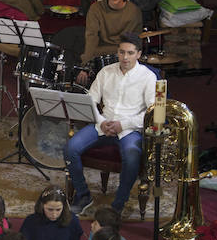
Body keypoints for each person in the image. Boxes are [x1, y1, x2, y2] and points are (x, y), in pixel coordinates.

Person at [65, 33, 156, 216]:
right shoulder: (106, 72)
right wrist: (102, 121)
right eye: (121, 52)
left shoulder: (148, 77)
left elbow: (150, 112)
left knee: (132, 156)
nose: (125, 57)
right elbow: (91, 101)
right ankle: (83, 195)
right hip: (103, 124)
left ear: (138, 54)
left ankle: (118, 205)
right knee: (70, 148)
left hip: (130, 130)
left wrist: (123, 124)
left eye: (130, 53)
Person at [80, 0, 143, 68]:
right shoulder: (96, 8)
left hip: (123, 53)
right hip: (99, 52)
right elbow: (91, 37)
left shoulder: (134, 11)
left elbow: (135, 41)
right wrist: (86, 64)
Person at [18, 186, 82, 240]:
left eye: (58, 209)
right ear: (42, 205)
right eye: (50, 209)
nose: (54, 214)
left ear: (64, 206)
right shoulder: (31, 222)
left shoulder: (73, 221)